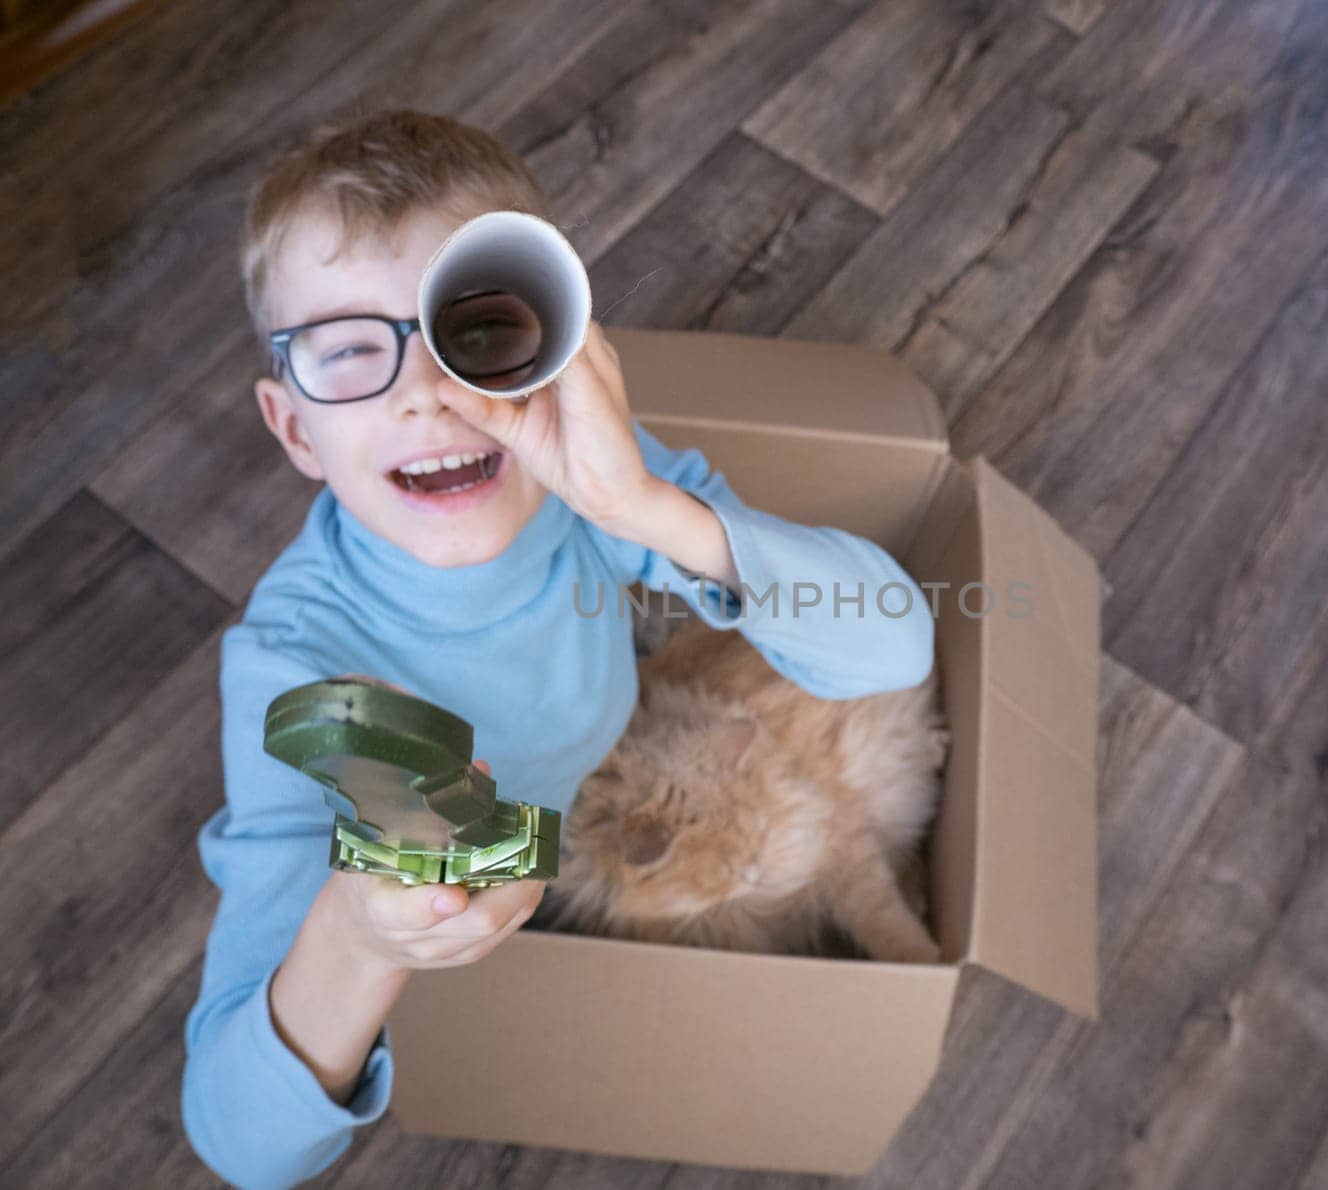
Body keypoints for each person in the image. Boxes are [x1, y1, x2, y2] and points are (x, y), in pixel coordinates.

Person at [179, 109, 934, 1189]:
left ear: (551, 344)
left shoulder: (583, 486)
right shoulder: (297, 669)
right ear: (295, 429)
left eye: (468, 332)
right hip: (437, 894)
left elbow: (894, 648)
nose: (425, 390)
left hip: (580, 807)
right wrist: (359, 933)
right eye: (350, 351)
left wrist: (643, 505)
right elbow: (238, 1141)